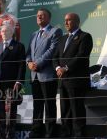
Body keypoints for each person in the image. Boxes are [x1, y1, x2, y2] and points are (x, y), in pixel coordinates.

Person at [53, 13, 93, 138]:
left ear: (77, 21)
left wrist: (65, 68)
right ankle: (66, 135)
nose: (66, 23)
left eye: (69, 20)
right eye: (65, 20)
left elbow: (81, 56)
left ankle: (79, 136)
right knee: (65, 112)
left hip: (76, 81)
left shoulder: (85, 37)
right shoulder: (62, 39)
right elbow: (55, 57)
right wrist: (58, 68)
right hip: (63, 81)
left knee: (77, 112)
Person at [26, 8, 63, 138]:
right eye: (37, 15)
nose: (39, 17)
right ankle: (36, 131)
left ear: (48, 18)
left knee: (49, 104)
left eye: (42, 15)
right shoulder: (33, 34)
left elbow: (52, 50)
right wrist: (29, 62)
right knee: (37, 104)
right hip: (34, 75)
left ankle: (50, 132)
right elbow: (28, 53)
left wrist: (38, 63)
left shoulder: (55, 31)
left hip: (47, 75)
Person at [0, 23, 26, 139]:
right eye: (2, 31)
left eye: (6, 31)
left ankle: (10, 134)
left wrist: (19, 81)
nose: (3, 33)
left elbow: (21, 65)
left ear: (11, 32)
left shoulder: (19, 46)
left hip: (12, 83)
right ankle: (1, 134)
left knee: (11, 110)